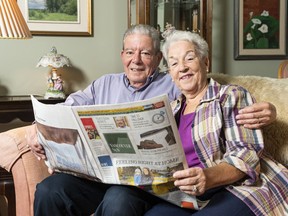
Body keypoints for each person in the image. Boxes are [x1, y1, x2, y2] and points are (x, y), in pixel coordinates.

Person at [26, 24, 278, 216]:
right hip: (98, 176)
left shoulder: (174, 86)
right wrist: (37, 130)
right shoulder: (104, 84)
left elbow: (223, 100)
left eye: (145, 53)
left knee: (119, 200)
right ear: (122, 54)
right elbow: (64, 112)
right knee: (51, 190)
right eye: (129, 52)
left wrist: (271, 112)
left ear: (158, 60)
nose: (136, 60)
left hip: (141, 183)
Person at [144, 30, 288, 216]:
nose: (182, 67)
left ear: (205, 62)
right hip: (187, 195)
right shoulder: (170, 110)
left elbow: (245, 156)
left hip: (237, 187)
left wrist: (207, 177)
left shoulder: (231, 96)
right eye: (174, 63)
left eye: (189, 58)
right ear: (171, 73)